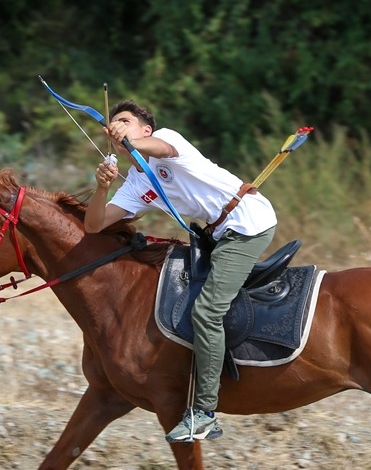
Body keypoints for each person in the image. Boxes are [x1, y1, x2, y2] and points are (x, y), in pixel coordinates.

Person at [85, 99, 277, 443]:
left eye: (125, 121)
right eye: (114, 123)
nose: (117, 126)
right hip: (220, 232)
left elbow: (157, 146)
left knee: (206, 312)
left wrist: (127, 140)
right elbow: (94, 224)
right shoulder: (135, 184)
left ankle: (204, 412)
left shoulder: (166, 143)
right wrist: (102, 187)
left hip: (248, 223)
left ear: (145, 130)